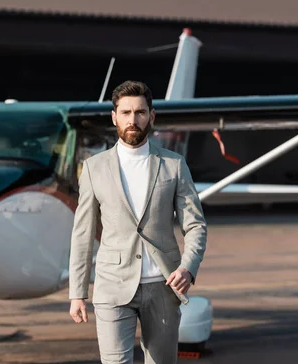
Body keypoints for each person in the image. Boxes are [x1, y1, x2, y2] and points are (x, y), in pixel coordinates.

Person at [68, 80, 207, 364]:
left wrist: (188, 267)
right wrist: (77, 293)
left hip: (163, 286)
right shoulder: (94, 168)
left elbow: (195, 225)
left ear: (151, 116)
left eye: (140, 112)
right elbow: (82, 234)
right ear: (114, 117)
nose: (134, 119)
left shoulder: (174, 164)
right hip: (112, 286)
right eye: (126, 112)